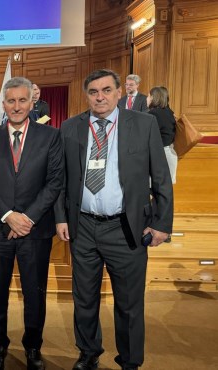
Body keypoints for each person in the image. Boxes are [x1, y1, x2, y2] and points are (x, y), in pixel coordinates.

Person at [55, 69, 173, 370]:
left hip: (126, 228)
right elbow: (60, 179)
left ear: (120, 92)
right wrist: (61, 218)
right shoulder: (70, 127)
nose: (100, 97)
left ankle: (130, 361)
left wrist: (162, 224)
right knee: (84, 299)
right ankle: (89, 352)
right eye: (94, 92)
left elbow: (160, 177)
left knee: (130, 303)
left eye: (107, 90)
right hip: (83, 227)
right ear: (87, 95)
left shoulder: (143, 124)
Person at [0, 77, 64, 370]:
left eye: (22, 100)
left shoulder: (50, 136)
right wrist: (8, 215)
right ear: (3, 104)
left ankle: (33, 347)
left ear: (32, 102)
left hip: (35, 230)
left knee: (34, 293)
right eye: (11, 101)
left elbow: (54, 183)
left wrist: (27, 218)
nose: (16, 106)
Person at [147, 86, 177, 184]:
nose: (146, 99)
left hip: (159, 155)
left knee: (155, 188)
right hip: (170, 153)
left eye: (148, 96)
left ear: (152, 97)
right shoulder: (170, 112)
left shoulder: (153, 114)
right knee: (165, 191)